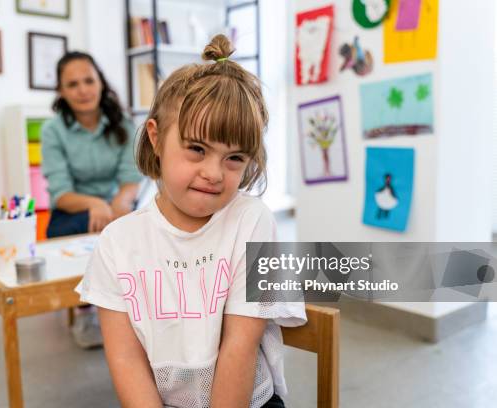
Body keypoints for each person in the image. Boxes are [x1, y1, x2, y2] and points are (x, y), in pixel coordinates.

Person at [75, 35, 306, 407]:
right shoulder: (117, 243)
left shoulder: (252, 221)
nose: (214, 173)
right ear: (155, 137)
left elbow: (239, 346)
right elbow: (126, 359)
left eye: (234, 158)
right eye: (196, 149)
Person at [41, 51, 143, 348]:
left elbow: (130, 180)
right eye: (72, 84)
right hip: (75, 210)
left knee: (139, 234)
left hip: (117, 205)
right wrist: (94, 205)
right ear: (61, 91)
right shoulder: (53, 131)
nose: (83, 89)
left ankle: (131, 304)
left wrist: (119, 205)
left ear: (101, 83)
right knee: (74, 234)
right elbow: (60, 192)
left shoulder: (123, 125)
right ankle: (87, 308)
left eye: (89, 80)